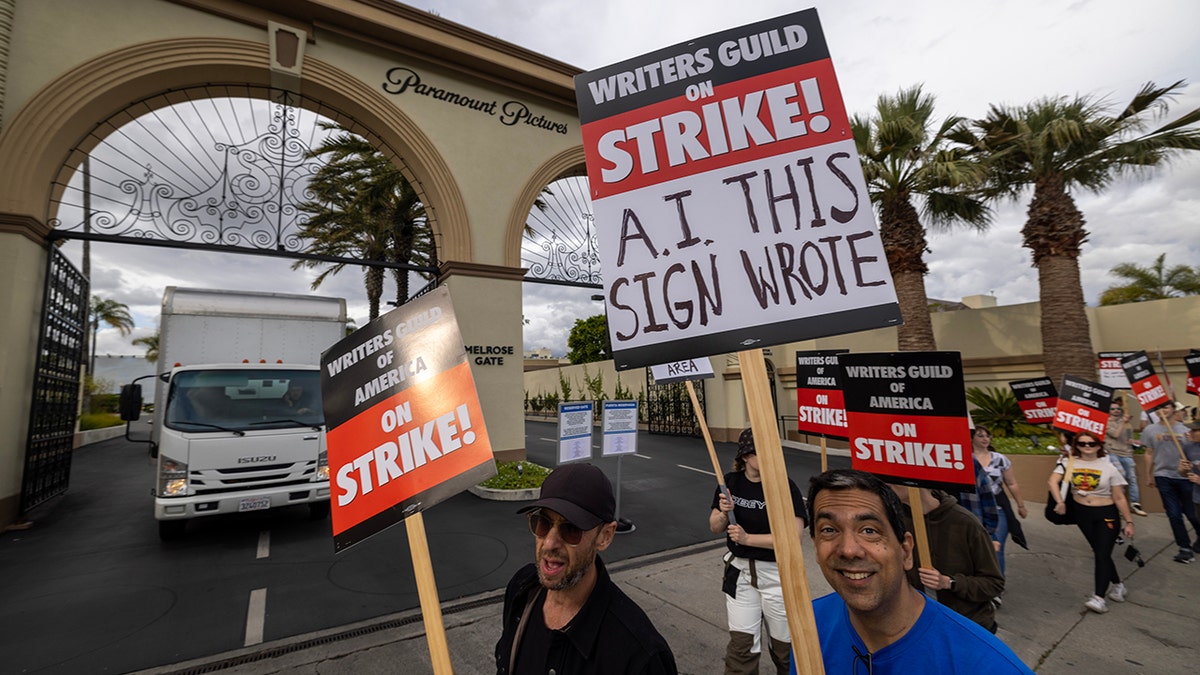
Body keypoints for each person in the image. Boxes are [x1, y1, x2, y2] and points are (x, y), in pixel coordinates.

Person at [791, 469, 1033, 674]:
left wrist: (950, 583)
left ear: (906, 551)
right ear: (815, 547)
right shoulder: (809, 625)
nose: (849, 550)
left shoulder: (985, 665)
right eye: (829, 530)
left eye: (869, 530)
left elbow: (992, 582)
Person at [495, 462, 677, 675]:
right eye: (542, 522)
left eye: (571, 529)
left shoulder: (639, 656)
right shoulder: (521, 590)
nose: (549, 543)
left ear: (605, 536)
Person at [709, 428, 806, 674]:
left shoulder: (784, 486)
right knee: (742, 649)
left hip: (777, 577)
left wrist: (747, 538)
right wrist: (723, 511)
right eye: (761, 452)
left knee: (786, 651)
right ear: (745, 456)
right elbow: (714, 527)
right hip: (740, 576)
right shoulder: (729, 483)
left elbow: (793, 537)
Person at [891, 485, 1004, 633]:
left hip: (966, 626)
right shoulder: (896, 522)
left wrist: (949, 582)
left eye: (893, 481)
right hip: (919, 626)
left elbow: (994, 584)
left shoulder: (966, 523)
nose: (887, 486)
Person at [1048, 430, 1136, 613]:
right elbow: (1052, 482)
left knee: (1102, 554)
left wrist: (1129, 522)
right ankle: (1118, 585)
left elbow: (1119, 497)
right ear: (1076, 445)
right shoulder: (1068, 462)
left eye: (1091, 443)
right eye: (1082, 443)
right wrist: (1060, 501)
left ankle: (1098, 598)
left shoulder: (1109, 467)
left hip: (1106, 514)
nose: (1087, 447)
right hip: (1082, 514)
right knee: (1099, 552)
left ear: (1099, 445)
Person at [1142, 401, 1200, 563]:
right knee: (1173, 514)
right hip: (1163, 476)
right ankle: (1184, 548)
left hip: (1185, 477)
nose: (1162, 411)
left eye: (1166, 407)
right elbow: (1148, 453)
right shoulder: (1150, 430)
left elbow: (1195, 452)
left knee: (1192, 514)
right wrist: (1148, 474)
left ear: (1173, 410)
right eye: (1159, 408)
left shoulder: (1186, 429)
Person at [968, 426, 1028, 577]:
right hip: (972, 508)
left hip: (997, 509)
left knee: (996, 547)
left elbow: (1012, 483)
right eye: (980, 435)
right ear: (971, 438)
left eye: (988, 436)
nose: (985, 439)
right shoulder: (965, 459)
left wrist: (1020, 505)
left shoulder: (999, 459)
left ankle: (996, 585)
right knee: (973, 549)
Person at [1106, 402, 1147, 516]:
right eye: (1113, 408)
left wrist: (1133, 442)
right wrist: (1123, 422)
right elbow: (1115, 434)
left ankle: (1135, 503)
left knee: (1132, 478)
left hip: (1126, 453)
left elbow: (1130, 439)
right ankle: (1120, 505)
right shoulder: (1106, 422)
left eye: (1118, 408)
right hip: (1112, 453)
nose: (1116, 410)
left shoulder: (1126, 423)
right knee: (1120, 476)